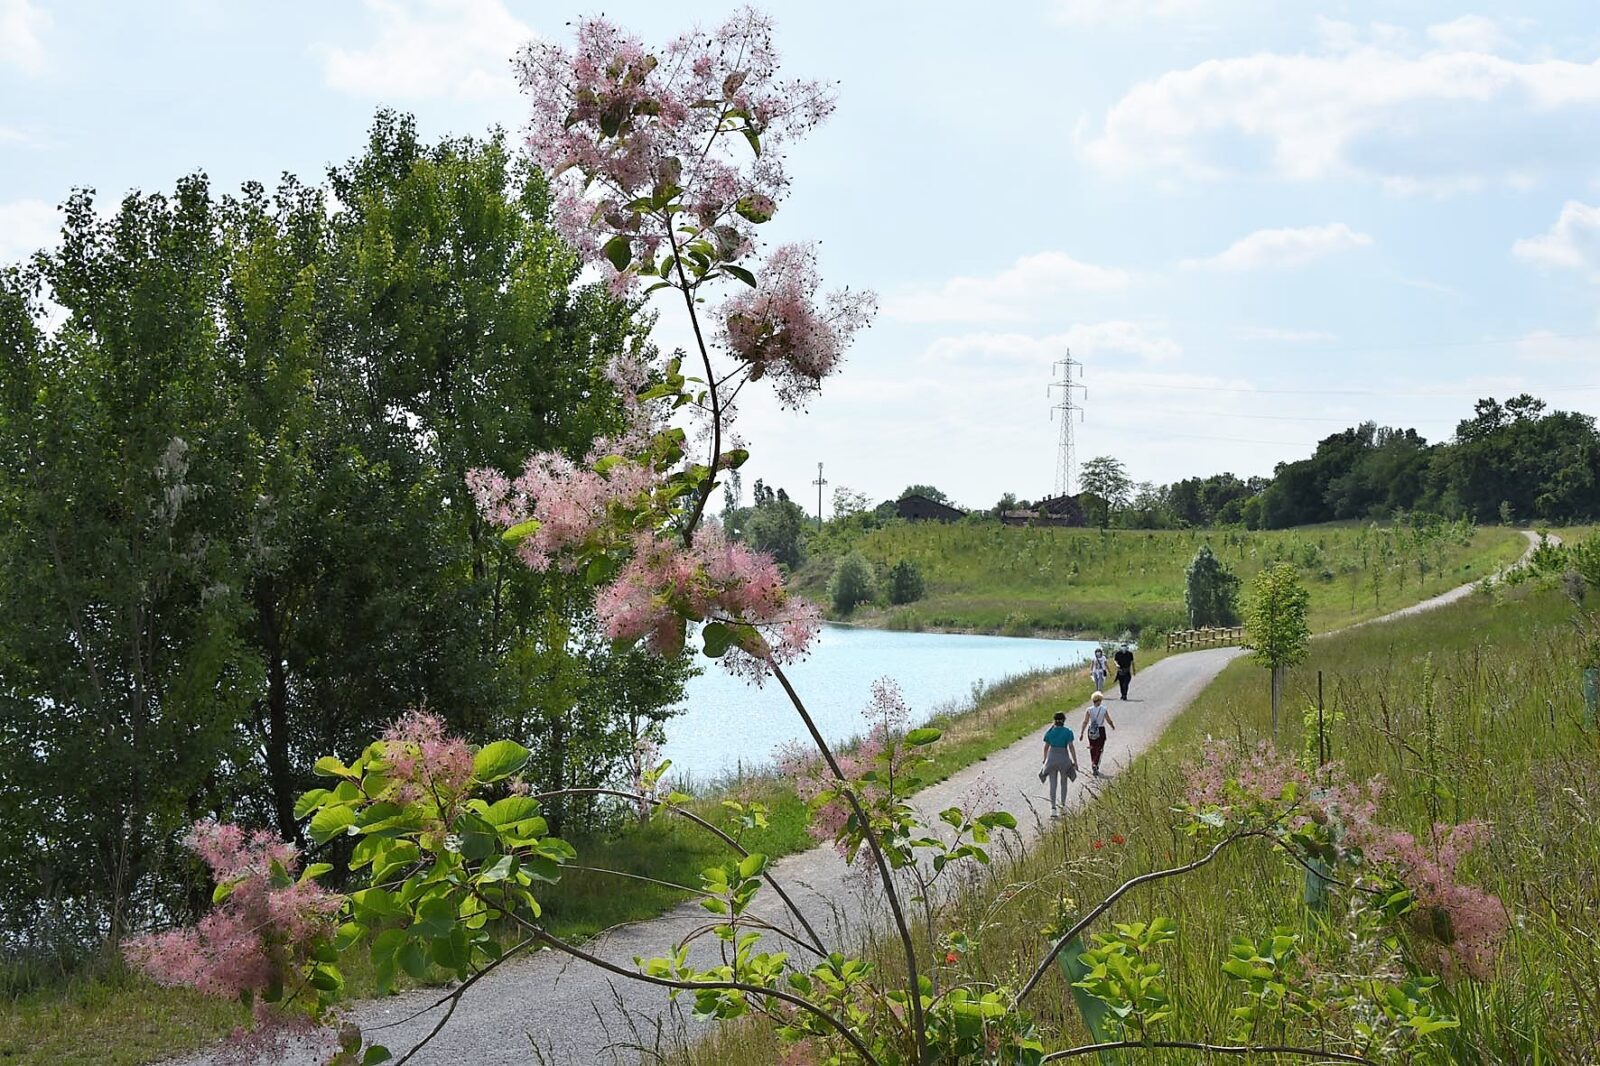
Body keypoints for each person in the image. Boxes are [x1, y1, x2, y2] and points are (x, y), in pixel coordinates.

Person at [1038, 711, 1079, 814]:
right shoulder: (1068, 732)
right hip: (1063, 758)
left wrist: (1045, 759)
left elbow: (1046, 747)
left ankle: (1053, 808)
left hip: (1052, 758)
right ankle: (1063, 806)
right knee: (1063, 782)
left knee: (1053, 783)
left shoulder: (1050, 732)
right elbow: (1071, 747)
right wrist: (1075, 761)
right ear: (1064, 720)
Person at [1081, 691, 1116, 777]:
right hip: (1100, 729)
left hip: (1091, 729)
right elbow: (1108, 719)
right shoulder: (1103, 709)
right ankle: (1095, 764)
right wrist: (1112, 726)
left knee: (1092, 747)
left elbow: (1085, 722)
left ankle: (1093, 761)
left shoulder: (1089, 710)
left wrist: (1082, 732)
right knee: (1099, 747)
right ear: (1100, 700)